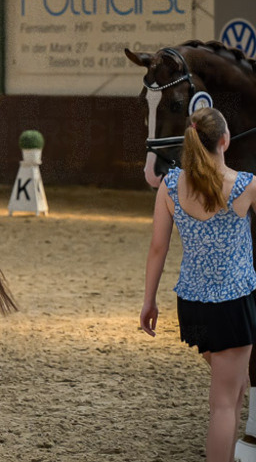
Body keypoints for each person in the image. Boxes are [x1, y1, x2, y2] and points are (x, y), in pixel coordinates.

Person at [140, 106, 256, 462]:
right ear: (224, 141)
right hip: (233, 306)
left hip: (191, 306)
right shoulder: (245, 185)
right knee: (223, 405)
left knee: (233, 392)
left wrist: (149, 302)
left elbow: (158, 248)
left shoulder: (170, 186)